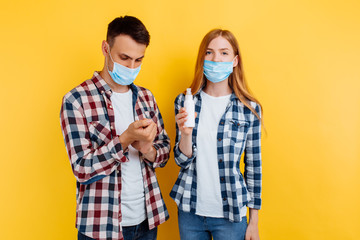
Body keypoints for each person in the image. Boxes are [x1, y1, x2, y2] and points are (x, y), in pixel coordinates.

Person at [60, 16, 170, 240]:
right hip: (101, 226)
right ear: (105, 48)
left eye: (139, 60)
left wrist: (148, 149)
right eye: (124, 57)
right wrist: (124, 139)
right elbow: (81, 167)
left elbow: (165, 151)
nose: (131, 67)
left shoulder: (146, 98)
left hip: (147, 221)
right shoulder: (76, 100)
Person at [170, 29, 263, 240]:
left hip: (231, 215)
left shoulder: (249, 109)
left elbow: (253, 167)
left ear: (235, 60)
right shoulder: (185, 101)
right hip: (190, 211)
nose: (216, 59)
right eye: (209, 52)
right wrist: (185, 135)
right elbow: (180, 160)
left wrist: (253, 222)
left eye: (224, 53)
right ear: (202, 58)